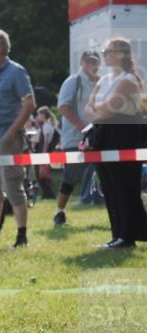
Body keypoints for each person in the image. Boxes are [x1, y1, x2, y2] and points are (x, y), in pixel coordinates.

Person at [85, 37, 147, 249]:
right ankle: (118, 234)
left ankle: (128, 236)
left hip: (124, 134)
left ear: (121, 54)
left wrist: (99, 109)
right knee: (110, 187)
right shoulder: (105, 80)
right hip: (105, 134)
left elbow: (109, 107)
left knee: (124, 187)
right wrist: (99, 110)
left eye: (108, 50)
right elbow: (89, 108)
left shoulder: (129, 80)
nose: (104, 54)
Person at [0, 28, 36, 248]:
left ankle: (21, 235)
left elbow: (29, 103)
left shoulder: (16, 72)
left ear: (1, 48)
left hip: (8, 136)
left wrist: (11, 133)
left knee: (12, 185)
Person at [54, 50, 101, 226]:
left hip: (99, 138)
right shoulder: (73, 81)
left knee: (108, 172)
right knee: (71, 177)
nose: (92, 65)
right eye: (89, 62)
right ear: (82, 63)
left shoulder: (101, 82)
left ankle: (114, 212)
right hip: (75, 138)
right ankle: (60, 211)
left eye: (95, 62)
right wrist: (85, 128)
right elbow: (64, 107)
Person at [34, 106, 61, 199]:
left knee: (42, 174)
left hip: (44, 152)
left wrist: (44, 153)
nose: (37, 117)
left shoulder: (46, 126)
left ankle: (49, 194)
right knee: (43, 174)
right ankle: (46, 194)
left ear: (43, 115)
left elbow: (46, 141)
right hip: (44, 152)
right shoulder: (46, 125)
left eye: (39, 114)